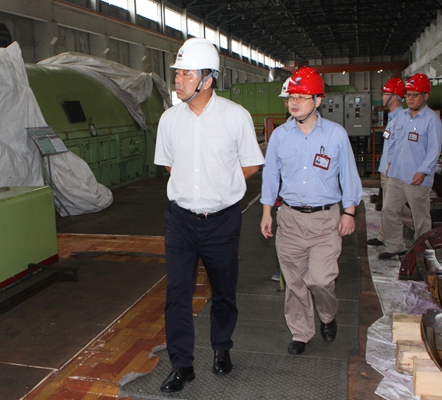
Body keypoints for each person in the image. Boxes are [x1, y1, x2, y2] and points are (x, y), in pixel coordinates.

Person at [154, 38, 265, 393]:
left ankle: (221, 347)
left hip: (222, 221)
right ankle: (181, 365)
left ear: (207, 79)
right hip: (181, 221)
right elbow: (169, 165)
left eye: (187, 74)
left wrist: (220, 186)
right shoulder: (169, 120)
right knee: (177, 293)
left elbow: (251, 163)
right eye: (178, 73)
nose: (178, 79)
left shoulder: (235, 116)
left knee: (223, 291)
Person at [260, 66, 362, 355]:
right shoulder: (279, 136)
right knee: (294, 283)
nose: (293, 102)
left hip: (325, 220)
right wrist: (267, 212)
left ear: (318, 100)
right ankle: (301, 333)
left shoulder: (336, 135)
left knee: (320, 279)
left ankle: (328, 315)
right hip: (290, 219)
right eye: (290, 97)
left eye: (301, 97)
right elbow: (271, 177)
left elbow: (348, 175)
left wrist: (349, 212)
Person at [379, 73, 442, 260]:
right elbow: (393, 141)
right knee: (389, 210)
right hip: (397, 175)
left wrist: (423, 171)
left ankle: (421, 252)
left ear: (426, 96)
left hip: (416, 178)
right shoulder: (402, 116)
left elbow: (434, 150)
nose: (411, 98)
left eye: (415, 95)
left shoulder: (431, 120)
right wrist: (390, 163)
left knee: (420, 218)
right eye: (408, 95)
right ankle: (394, 246)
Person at [367, 78, 413, 246]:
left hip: (392, 171)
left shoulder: (402, 118)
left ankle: (424, 228)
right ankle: (384, 235)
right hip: (386, 170)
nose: (382, 96)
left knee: (393, 208)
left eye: (385, 94)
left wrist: (392, 166)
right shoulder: (393, 117)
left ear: (394, 97)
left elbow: (402, 147)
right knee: (389, 207)